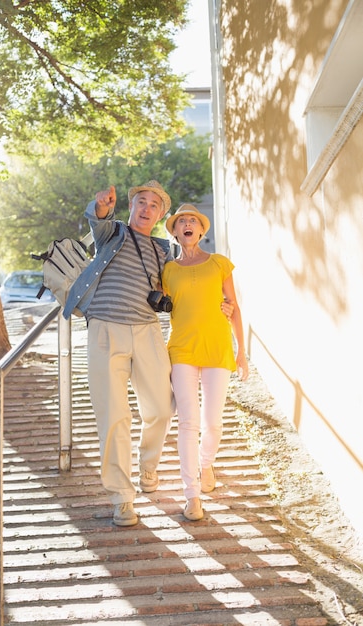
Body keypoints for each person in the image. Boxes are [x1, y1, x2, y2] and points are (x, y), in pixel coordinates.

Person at [64, 181, 175, 527]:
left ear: (160, 214)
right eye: (141, 201)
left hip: (147, 333)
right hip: (105, 330)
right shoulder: (114, 234)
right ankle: (121, 497)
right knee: (114, 416)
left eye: (154, 204)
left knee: (161, 407)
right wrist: (101, 205)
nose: (146, 207)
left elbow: (182, 288)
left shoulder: (165, 250)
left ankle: (148, 465)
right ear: (132, 206)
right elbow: (97, 222)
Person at [162, 204, 249, 521]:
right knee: (188, 422)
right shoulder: (167, 271)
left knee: (212, 422)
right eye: (181, 221)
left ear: (201, 231)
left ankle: (206, 462)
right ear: (174, 231)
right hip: (182, 350)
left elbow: (233, 307)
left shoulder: (219, 264)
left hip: (216, 347)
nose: (187, 225)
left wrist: (241, 351)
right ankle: (191, 494)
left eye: (193, 221)